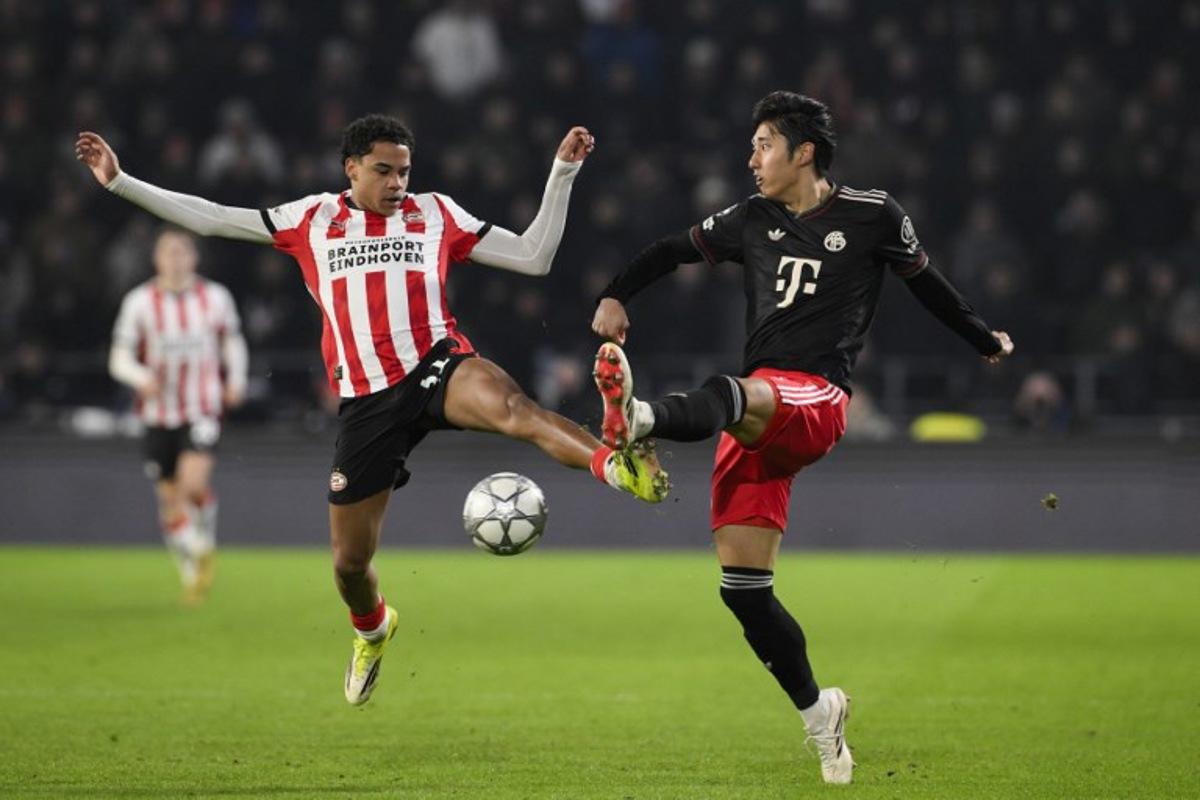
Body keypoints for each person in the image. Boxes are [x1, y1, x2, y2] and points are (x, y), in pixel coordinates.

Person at [77, 114, 668, 707]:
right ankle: (373, 628)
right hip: (366, 402)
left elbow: (534, 256)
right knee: (349, 564)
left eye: (404, 171)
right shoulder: (310, 219)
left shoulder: (435, 213)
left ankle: (619, 468)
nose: (396, 183)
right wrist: (121, 181)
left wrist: (563, 172)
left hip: (437, 362)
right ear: (351, 168)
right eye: (384, 171)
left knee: (515, 408)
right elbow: (211, 216)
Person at [590, 91, 1014, 785]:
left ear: (803, 151)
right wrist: (614, 294)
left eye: (763, 145)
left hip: (814, 397)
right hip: (756, 421)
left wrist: (983, 339)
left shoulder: (873, 214)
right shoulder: (750, 218)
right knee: (743, 590)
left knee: (733, 390)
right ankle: (822, 716)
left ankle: (637, 422)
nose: (751, 158)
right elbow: (672, 250)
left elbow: (928, 284)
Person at [109, 225, 248, 604]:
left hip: (202, 406)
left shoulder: (215, 298)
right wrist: (140, 377)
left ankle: (202, 546)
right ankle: (192, 568)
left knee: (192, 486)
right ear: (157, 259)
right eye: (168, 252)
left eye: (182, 251)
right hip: (156, 414)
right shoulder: (139, 302)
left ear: (194, 257)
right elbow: (118, 358)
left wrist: (235, 380)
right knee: (170, 501)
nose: (176, 259)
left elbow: (232, 342)